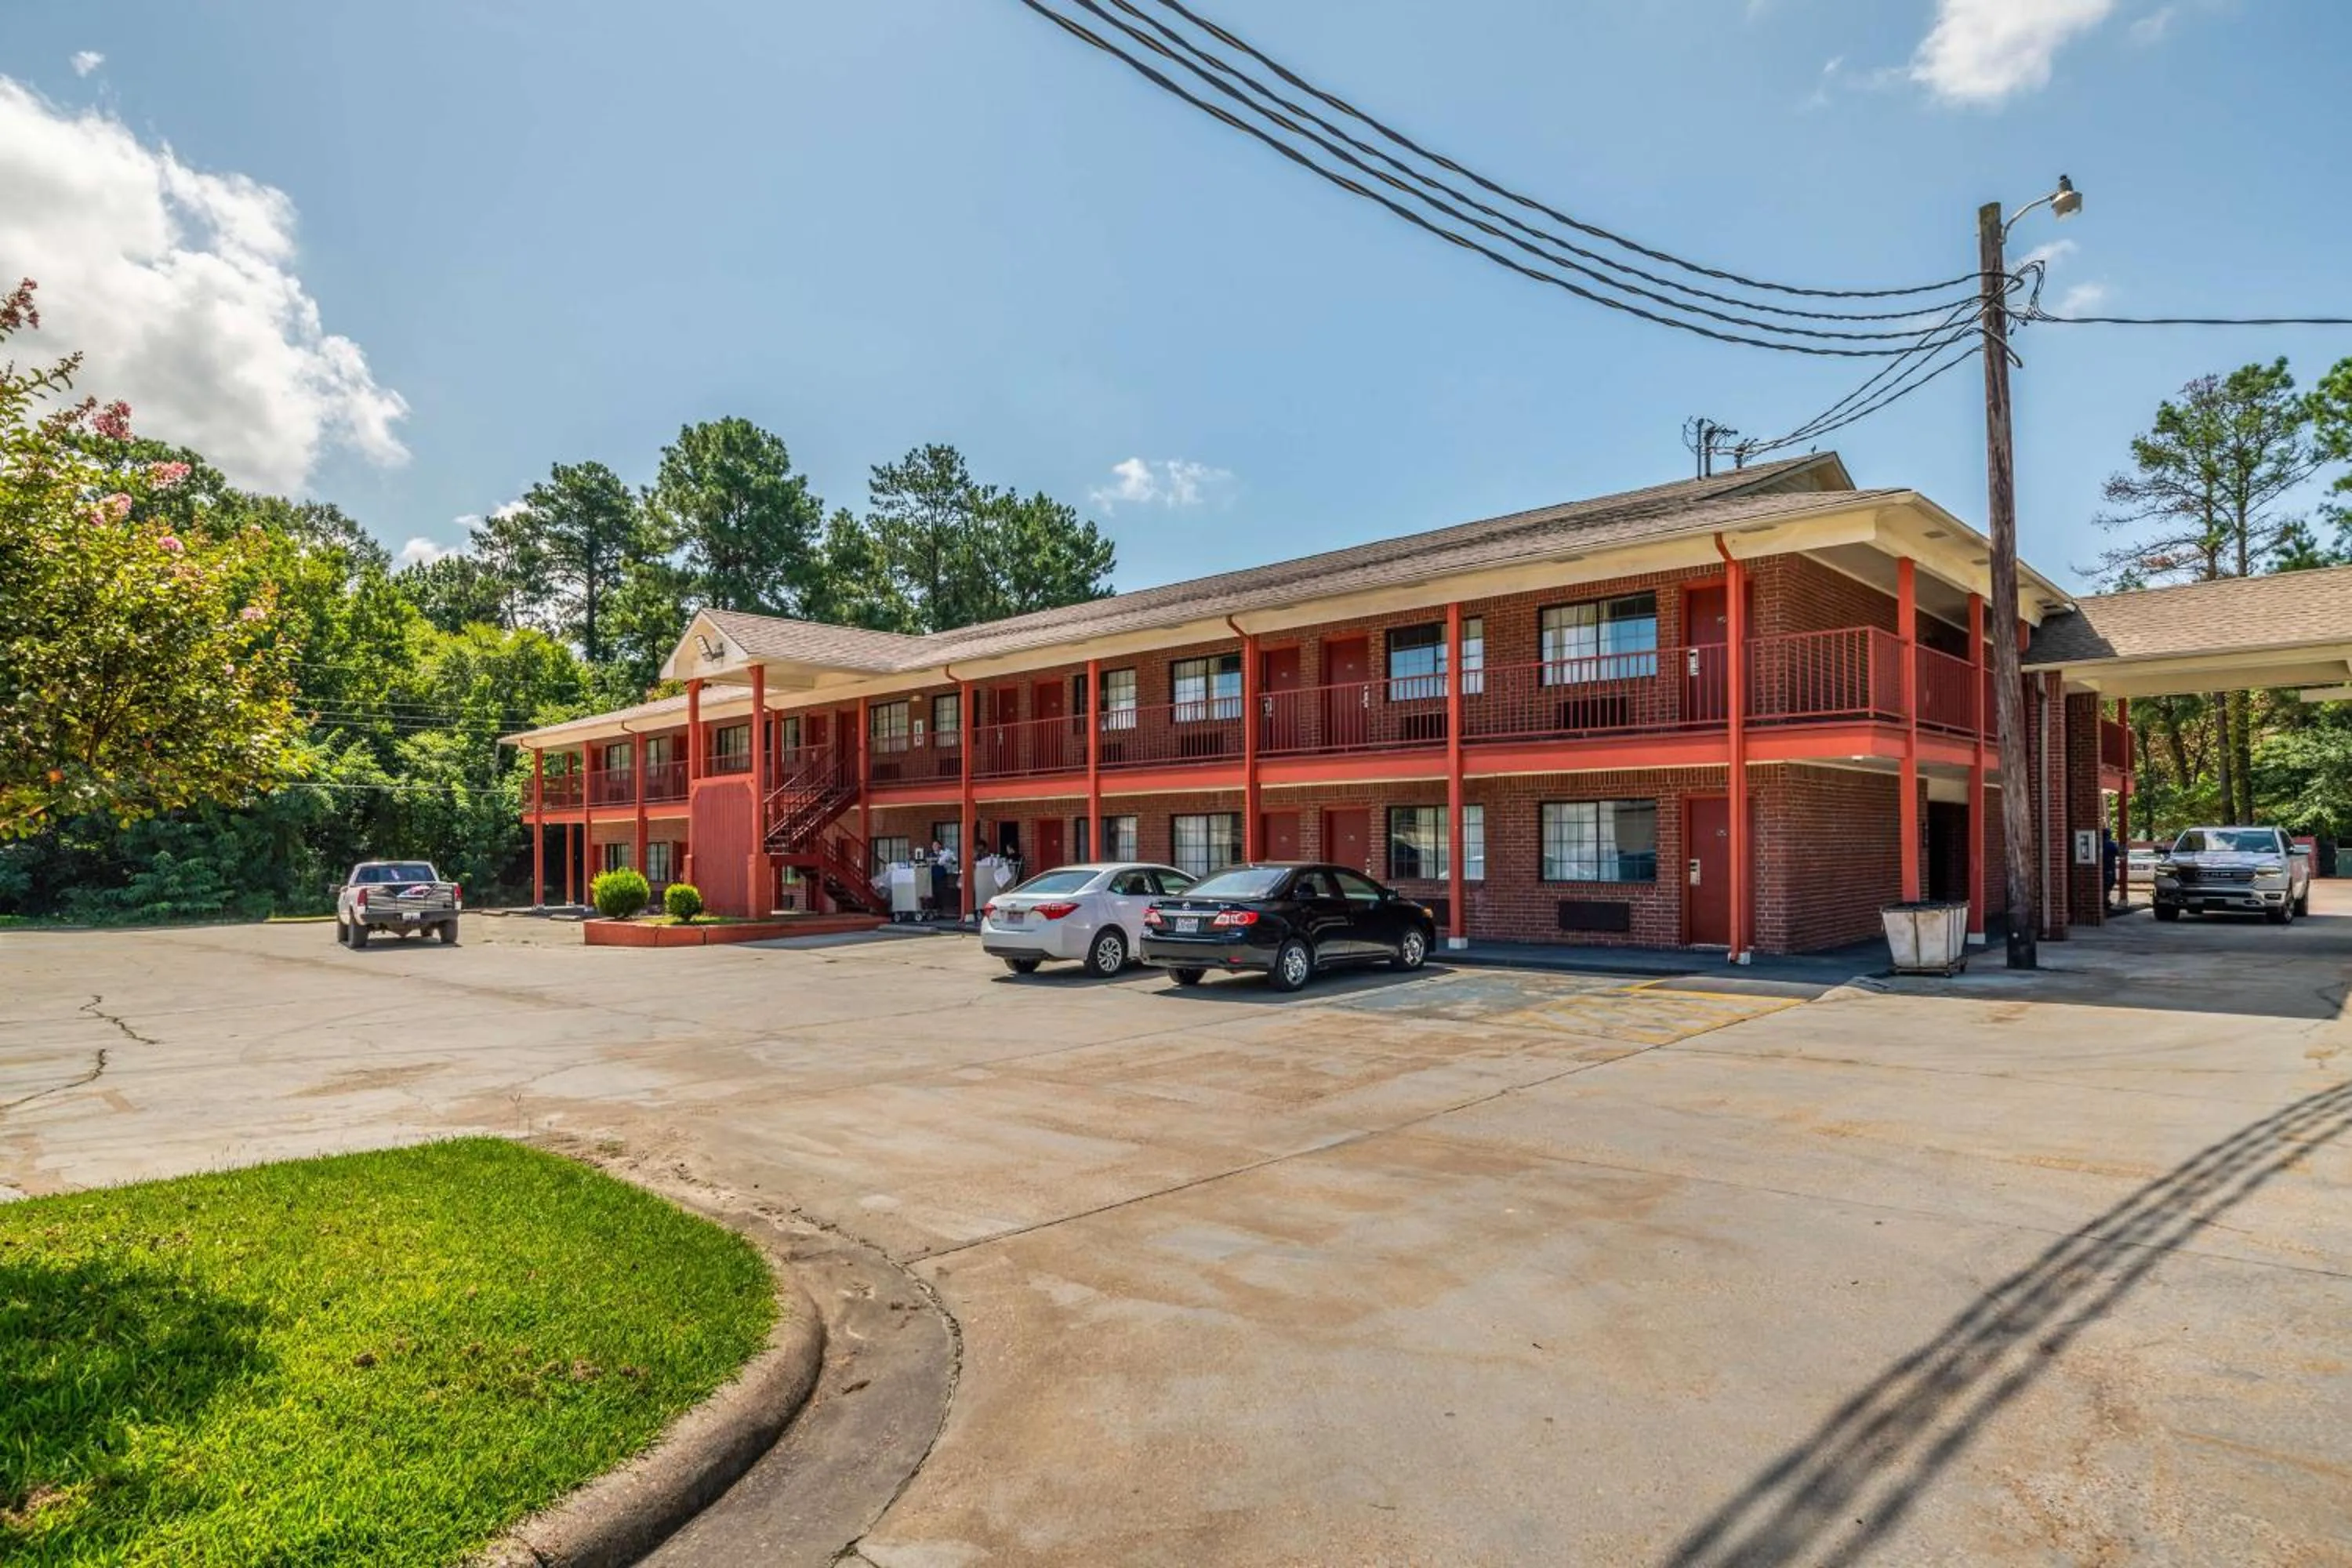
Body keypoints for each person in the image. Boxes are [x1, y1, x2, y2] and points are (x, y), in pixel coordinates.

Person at [2102, 826, 2122, 912]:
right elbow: (2118, 853)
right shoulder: (2110, 844)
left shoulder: (2099, 843)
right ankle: (2105, 901)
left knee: (2105, 885)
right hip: (2109, 868)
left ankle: (2105, 901)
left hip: (2102, 868)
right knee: (2108, 884)